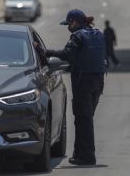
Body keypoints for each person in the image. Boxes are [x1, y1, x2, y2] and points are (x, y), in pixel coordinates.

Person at [40, 9, 106, 165]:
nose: (68, 28)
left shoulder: (77, 36)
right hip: (98, 81)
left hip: (83, 83)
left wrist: (45, 52)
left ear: (74, 22)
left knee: (83, 120)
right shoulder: (98, 34)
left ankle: (87, 156)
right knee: (86, 120)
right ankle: (80, 153)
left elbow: (66, 54)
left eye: (68, 24)